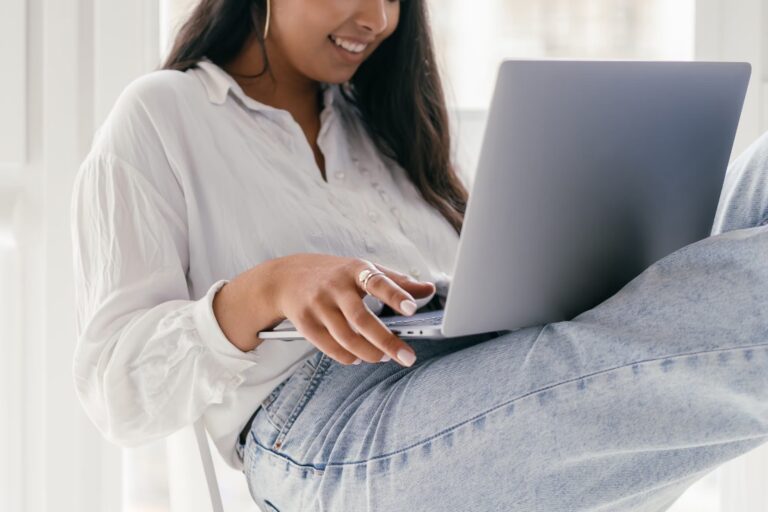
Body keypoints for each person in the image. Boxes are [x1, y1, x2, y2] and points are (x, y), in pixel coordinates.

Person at [70, 0, 768, 510]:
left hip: (479, 381)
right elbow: (116, 391)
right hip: (328, 431)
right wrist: (264, 289)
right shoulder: (163, 114)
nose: (377, 17)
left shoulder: (388, 132)